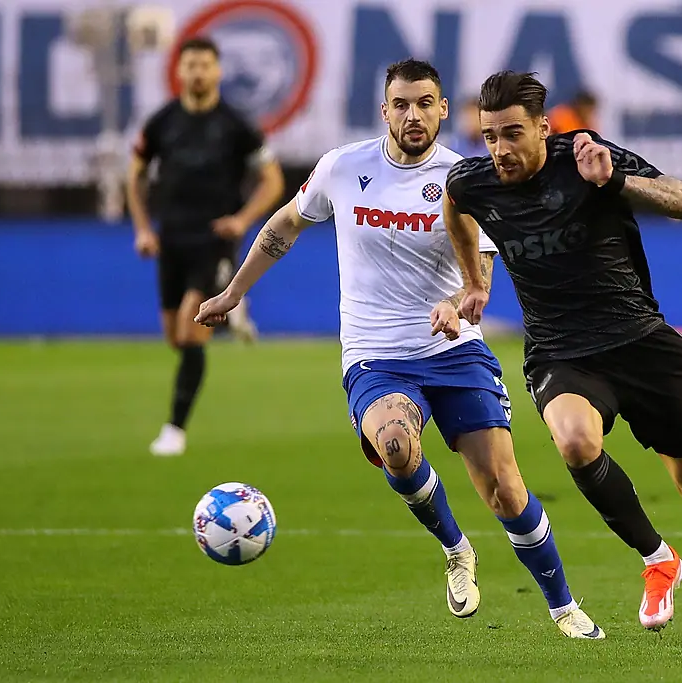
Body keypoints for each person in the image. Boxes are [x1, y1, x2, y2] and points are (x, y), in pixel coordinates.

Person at [195, 59, 603, 639]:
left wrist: (459, 301)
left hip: (454, 351)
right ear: (385, 111)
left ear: (443, 110)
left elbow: (481, 276)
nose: (414, 115)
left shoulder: (467, 179)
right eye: (402, 104)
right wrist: (235, 291)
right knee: (395, 445)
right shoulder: (342, 167)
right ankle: (456, 549)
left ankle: (563, 606)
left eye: (425, 103)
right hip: (376, 353)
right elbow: (284, 224)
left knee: (504, 489)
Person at [443, 70, 682, 662]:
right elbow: (456, 210)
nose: (499, 149)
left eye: (512, 134)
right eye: (490, 135)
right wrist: (474, 282)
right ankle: (658, 558)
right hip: (560, 351)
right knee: (575, 443)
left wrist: (617, 180)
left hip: (641, 344)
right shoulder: (472, 181)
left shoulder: (585, 157)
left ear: (544, 128)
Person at [126, 36, 285, 457]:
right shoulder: (162, 123)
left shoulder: (235, 125)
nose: (197, 73)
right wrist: (143, 228)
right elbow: (135, 174)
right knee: (175, 338)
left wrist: (242, 220)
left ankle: (174, 430)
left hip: (214, 241)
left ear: (218, 71)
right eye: (190, 65)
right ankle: (234, 314)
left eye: (205, 65)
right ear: (179, 71)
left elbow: (272, 180)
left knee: (190, 330)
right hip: (171, 240)